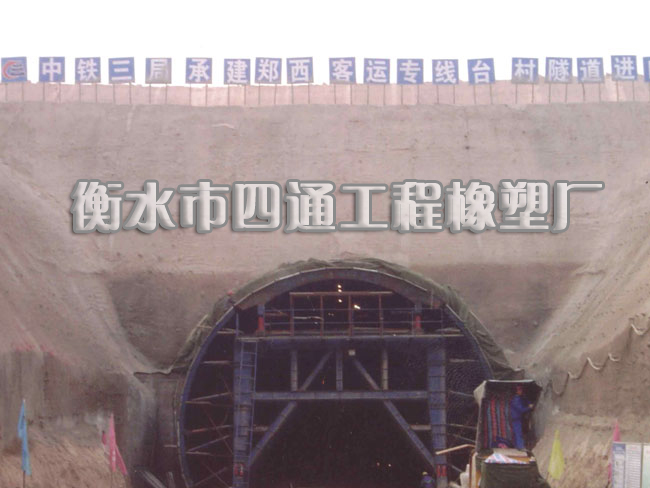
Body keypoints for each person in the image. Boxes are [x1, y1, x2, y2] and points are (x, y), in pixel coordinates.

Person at [510, 385, 534, 450]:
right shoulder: (516, 399)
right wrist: (529, 407)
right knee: (518, 432)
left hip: (518, 418)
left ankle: (517, 447)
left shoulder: (520, 398)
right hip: (516, 418)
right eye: (519, 390)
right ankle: (521, 447)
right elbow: (521, 409)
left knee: (518, 432)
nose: (521, 391)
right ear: (516, 391)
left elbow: (526, 401)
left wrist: (529, 403)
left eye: (521, 389)